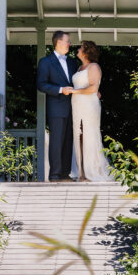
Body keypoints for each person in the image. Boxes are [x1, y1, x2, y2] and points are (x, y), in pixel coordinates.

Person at [36, 30, 80, 181]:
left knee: (68, 141)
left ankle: (65, 173)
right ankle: (54, 175)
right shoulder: (45, 62)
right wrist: (61, 90)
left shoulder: (72, 62)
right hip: (56, 107)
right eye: (68, 41)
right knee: (56, 141)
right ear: (59, 42)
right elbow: (41, 85)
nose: (70, 44)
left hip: (73, 108)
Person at [66, 40, 111, 181]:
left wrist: (74, 91)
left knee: (89, 135)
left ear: (86, 52)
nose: (78, 49)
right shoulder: (80, 68)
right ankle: (81, 172)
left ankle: (93, 170)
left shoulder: (94, 67)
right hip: (77, 105)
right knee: (78, 136)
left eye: (80, 48)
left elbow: (93, 88)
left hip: (89, 105)